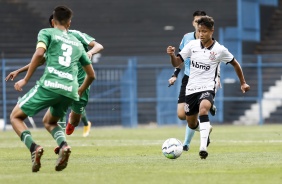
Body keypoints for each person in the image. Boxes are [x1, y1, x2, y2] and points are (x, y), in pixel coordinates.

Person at [8, 5, 95, 172]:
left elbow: (39, 54)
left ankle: (34, 148)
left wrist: (25, 80)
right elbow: (92, 75)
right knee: (50, 121)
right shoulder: (77, 43)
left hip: (50, 85)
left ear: (53, 21)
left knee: (15, 117)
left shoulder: (46, 33)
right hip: (70, 89)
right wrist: (79, 90)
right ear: (69, 23)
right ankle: (63, 146)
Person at [167, 15, 250, 159]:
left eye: (204, 31)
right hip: (191, 88)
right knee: (191, 123)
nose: (201, 34)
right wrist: (172, 55)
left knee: (204, 108)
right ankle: (205, 130)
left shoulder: (220, 49)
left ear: (212, 31)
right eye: (199, 31)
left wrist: (243, 82)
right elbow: (176, 63)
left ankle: (202, 147)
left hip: (208, 87)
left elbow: (235, 63)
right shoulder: (192, 45)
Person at [6, 15, 104, 138]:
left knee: (75, 121)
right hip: (65, 81)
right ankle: (61, 142)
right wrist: (19, 71)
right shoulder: (53, 40)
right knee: (57, 107)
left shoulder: (76, 35)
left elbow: (99, 46)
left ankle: (71, 123)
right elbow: (41, 60)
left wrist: (90, 52)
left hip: (82, 83)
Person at [167, 10, 217, 152]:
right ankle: (204, 128)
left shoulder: (209, 40)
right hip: (188, 78)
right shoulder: (187, 38)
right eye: (196, 22)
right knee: (182, 115)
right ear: (193, 23)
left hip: (203, 80)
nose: (198, 25)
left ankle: (186, 144)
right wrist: (175, 74)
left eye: (201, 22)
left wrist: (216, 79)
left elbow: (215, 62)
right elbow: (180, 58)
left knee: (198, 111)